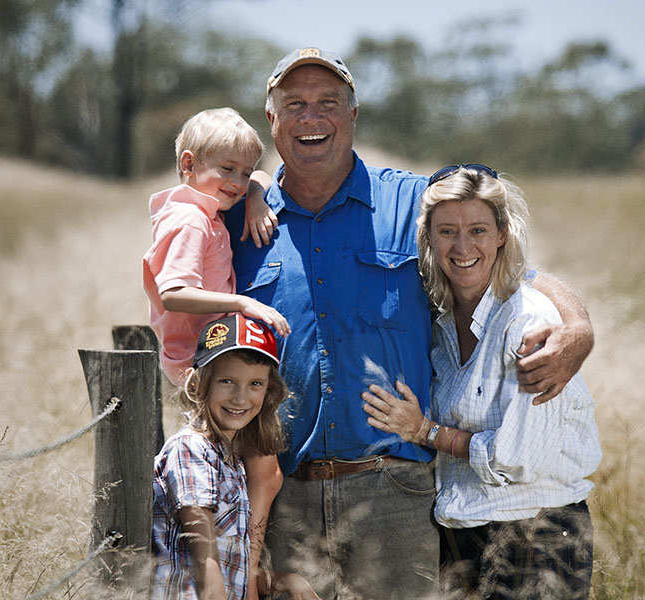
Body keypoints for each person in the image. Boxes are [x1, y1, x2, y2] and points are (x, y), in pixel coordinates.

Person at [224, 47, 595, 599]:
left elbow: (499, 263)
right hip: (281, 494)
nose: (311, 117)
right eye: (294, 103)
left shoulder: (409, 202)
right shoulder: (237, 222)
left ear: (353, 115)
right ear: (271, 119)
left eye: (328, 102)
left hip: (396, 494)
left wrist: (578, 324)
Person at [361, 165, 602, 599]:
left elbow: (517, 458)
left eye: (477, 230)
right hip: (464, 531)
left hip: (537, 536)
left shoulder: (530, 322)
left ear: (502, 234)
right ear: (429, 239)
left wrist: (424, 431)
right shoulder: (440, 323)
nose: (463, 246)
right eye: (447, 231)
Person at [142, 107, 290, 599]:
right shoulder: (189, 220)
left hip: (217, 358)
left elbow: (265, 173)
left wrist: (253, 194)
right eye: (225, 169)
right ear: (188, 165)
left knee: (255, 467)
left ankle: (241, 565)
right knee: (241, 470)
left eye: (242, 171)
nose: (236, 180)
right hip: (197, 365)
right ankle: (226, 577)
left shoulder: (210, 207)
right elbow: (174, 292)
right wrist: (243, 302)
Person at [152, 313, 319, 600]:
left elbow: (236, 567)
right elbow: (207, 561)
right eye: (227, 381)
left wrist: (285, 580)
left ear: (269, 391)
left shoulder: (232, 458)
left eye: (255, 384)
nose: (241, 398)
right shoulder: (191, 449)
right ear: (197, 384)